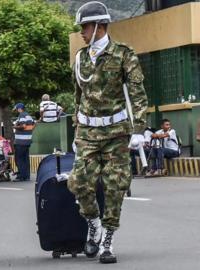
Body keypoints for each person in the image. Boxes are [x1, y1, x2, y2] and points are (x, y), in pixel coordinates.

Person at [68, 1, 148, 264]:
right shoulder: (80, 58)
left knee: (115, 187)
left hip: (116, 133)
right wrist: (76, 132)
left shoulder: (124, 54)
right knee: (78, 183)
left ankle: (108, 240)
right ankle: (94, 224)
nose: (81, 32)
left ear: (99, 26)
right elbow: (77, 98)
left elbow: (137, 94)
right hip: (88, 132)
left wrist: (139, 129)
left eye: (84, 27)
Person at [12, 103, 35, 181]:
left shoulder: (22, 115)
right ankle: (26, 176)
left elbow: (23, 126)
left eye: (16, 109)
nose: (16, 111)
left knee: (19, 159)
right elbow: (34, 124)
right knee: (25, 159)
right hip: (27, 140)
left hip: (20, 142)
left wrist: (14, 127)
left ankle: (21, 176)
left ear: (19, 108)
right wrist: (29, 132)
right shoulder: (28, 115)